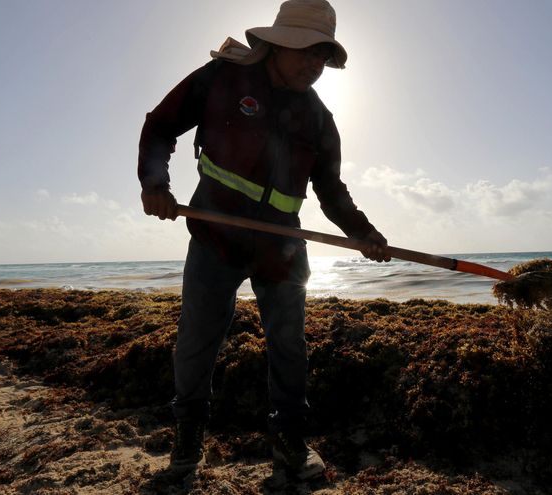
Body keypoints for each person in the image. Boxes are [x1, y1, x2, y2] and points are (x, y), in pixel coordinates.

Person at [137, 0, 390, 481]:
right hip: (215, 235)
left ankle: (292, 446)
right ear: (276, 43)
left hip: (282, 248)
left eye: (322, 56)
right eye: (305, 51)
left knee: (289, 345)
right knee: (197, 341)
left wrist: (363, 234)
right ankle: (187, 444)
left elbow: (331, 191)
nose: (313, 65)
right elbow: (160, 125)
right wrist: (155, 185)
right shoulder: (222, 78)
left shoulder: (319, 118)